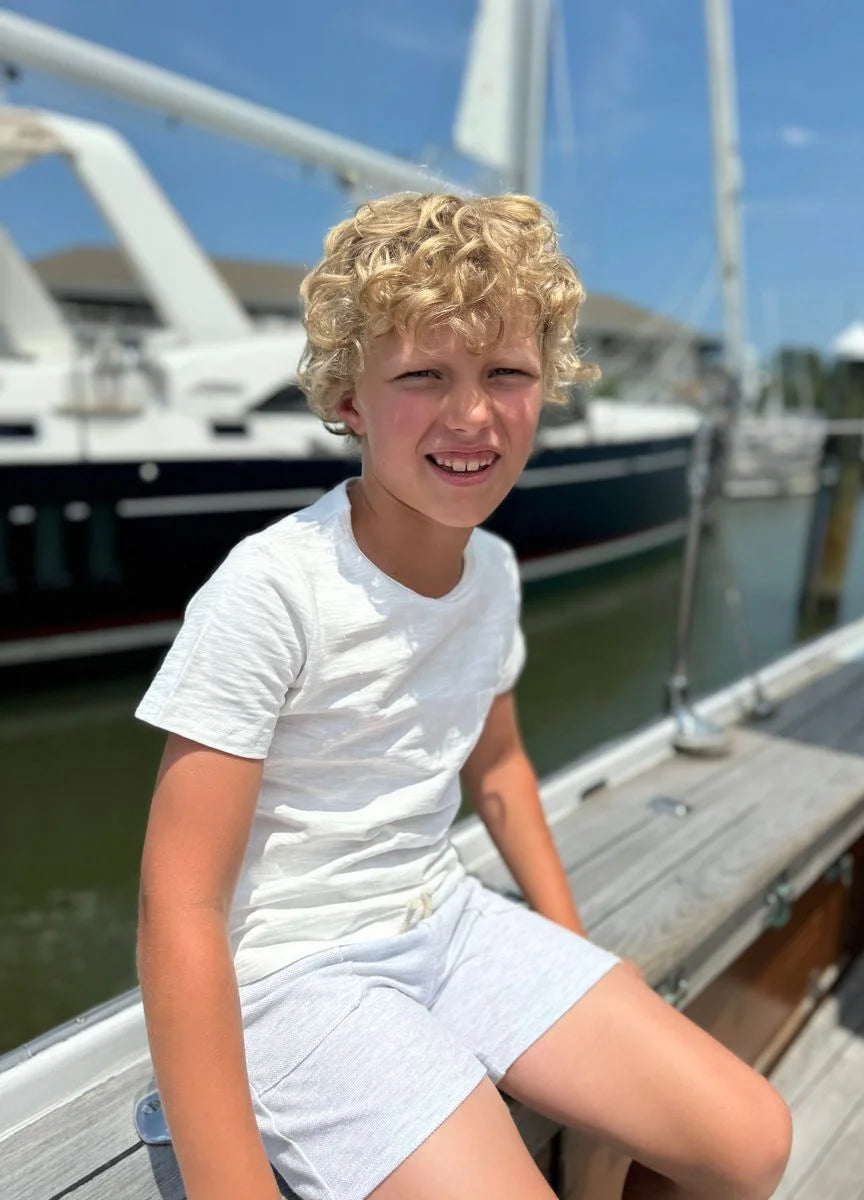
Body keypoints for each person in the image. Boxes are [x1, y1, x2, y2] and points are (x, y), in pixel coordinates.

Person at [135, 192, 792, 1200]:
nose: (473, 413)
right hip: (299, 972)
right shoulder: (270, 590)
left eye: (507, 372)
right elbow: (179, 908)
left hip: (448, 918)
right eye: (423, 375)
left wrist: (568, 954)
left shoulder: (491, 572)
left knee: (751, 1140)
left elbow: (497, 765)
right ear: (349, 397)